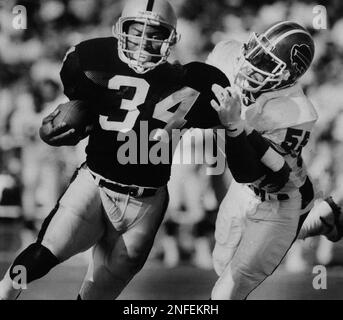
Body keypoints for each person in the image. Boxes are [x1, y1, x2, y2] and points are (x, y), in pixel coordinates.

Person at [0, 0, 290, 300]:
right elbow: (82, 108)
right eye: (137, 32)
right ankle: (5, 291)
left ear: (171, 38)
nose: (144, 42)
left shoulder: (194, 81)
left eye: (154, 34)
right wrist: (80, 119)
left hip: (147, 202)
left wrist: (237, 128)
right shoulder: (92, 61)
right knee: (47, 252)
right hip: (95, 186)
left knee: (97, 294)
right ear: (121, 30)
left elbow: (237, 142)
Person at [207, 21, 342, 300]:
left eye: (266, 62)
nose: (252, 63)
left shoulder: (296, 111)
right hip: (243, 189)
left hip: (279, 194)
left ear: (289, 76)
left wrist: (236, 127)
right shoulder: (227, 55)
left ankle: (314, 220)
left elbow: (266, 174)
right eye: (256, 51)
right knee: (220, 260)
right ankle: (323, 220)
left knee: (225, 294)